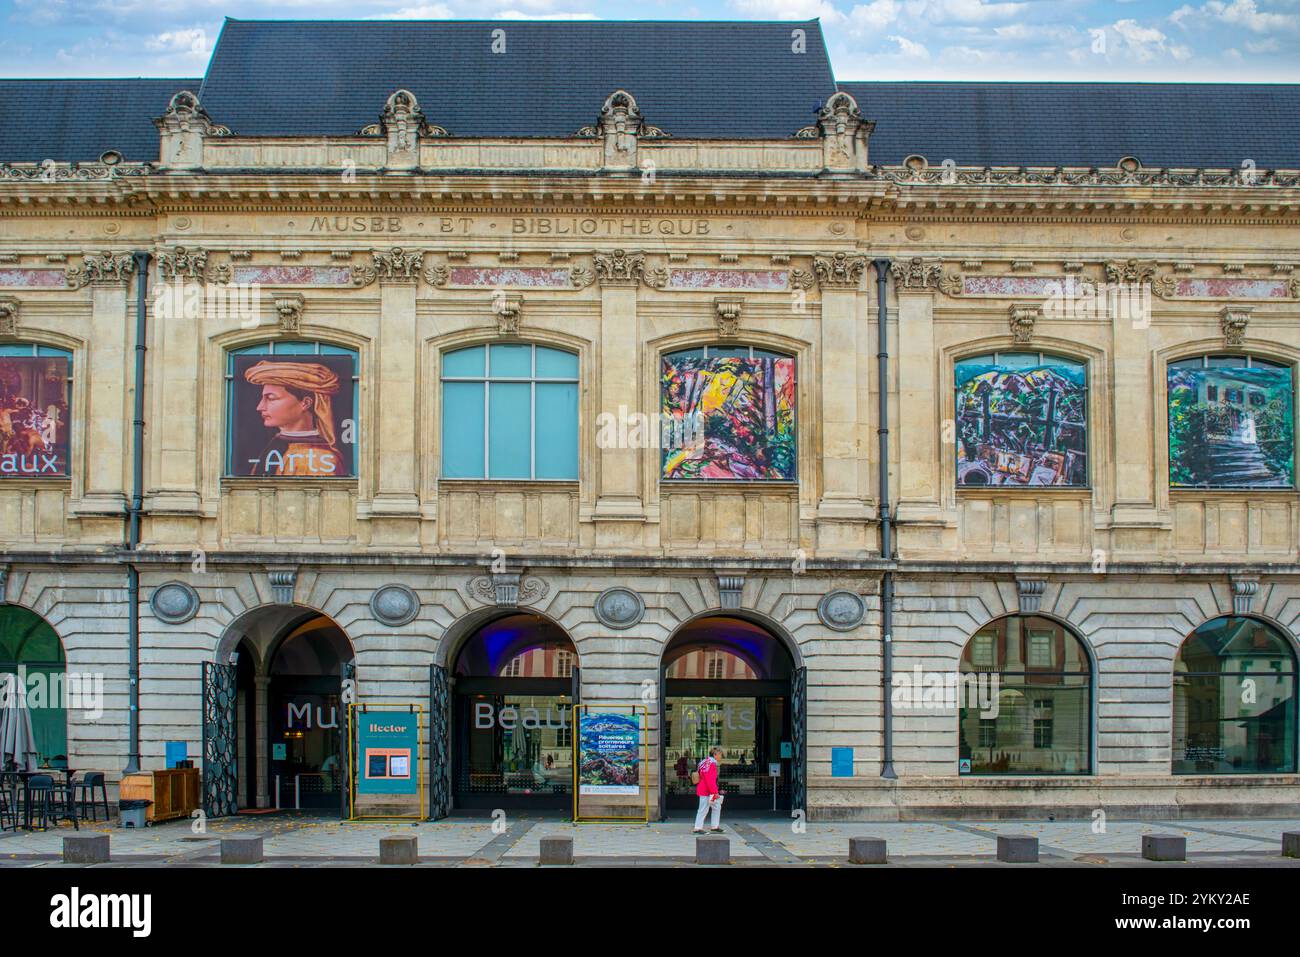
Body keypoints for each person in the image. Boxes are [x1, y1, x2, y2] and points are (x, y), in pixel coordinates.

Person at [242, 360, 345, 476]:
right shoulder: (277, 442)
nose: (260, 407)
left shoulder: (320, 459)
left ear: (305, 403)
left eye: (271, 398)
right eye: (263, 398)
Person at [693, 746, 724, 834]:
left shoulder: (705, 762)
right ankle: (697, 828)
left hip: (705, 789)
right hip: (707, 791)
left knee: (716, 806)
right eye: (720, 754)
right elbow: (710, 780)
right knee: (704, 808)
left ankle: (715, 826)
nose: (721, 756)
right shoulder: (711, 764)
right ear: (715, 754)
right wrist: (715, 792)